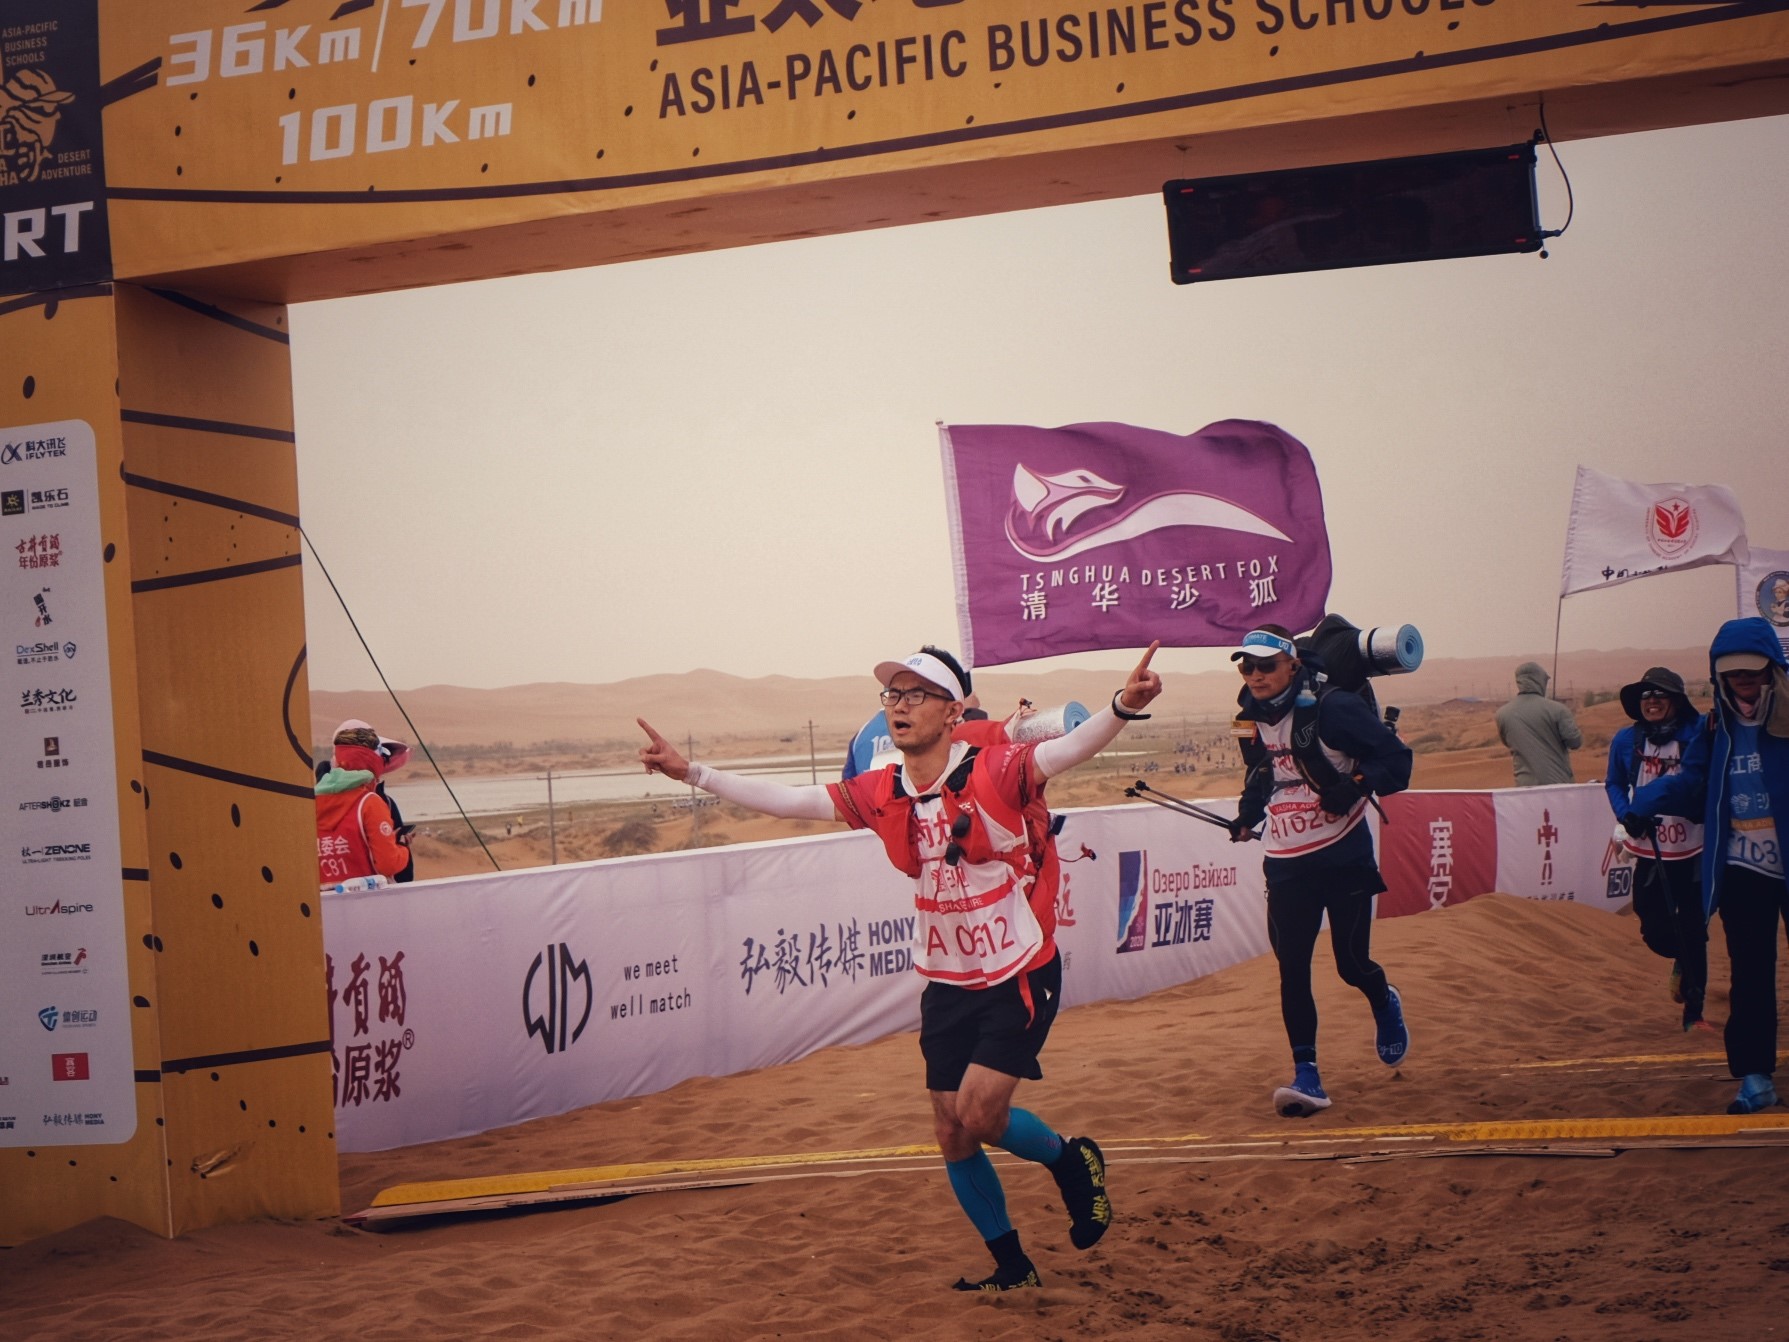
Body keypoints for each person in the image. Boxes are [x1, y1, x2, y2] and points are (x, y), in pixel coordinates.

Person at [638, 642, 1164, 1291]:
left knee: (979, 1113)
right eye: (892, 695)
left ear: (953, 712)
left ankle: (1070, 1162)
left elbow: (1070, 748)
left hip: (1017, 971)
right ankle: (1012, 1265)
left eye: (917, 695)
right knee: (950, 1129)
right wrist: (692, 772)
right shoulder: (881, 790)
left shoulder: (995, 770)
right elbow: (788, 798)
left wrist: (1122, 706)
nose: (899, 706)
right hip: (946, 980)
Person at [1226, 625, 1413, 1118]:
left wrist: (1355, 785)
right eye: (1247, 666)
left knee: (1351, 964)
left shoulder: (1335, 708)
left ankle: (1383, 999)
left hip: (1343, 855)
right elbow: (1261, 774)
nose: (1255, 675)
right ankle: (1306, 1074)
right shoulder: (1246, 719)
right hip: (1285, 862)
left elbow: (1396, 761)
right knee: (1292, 968)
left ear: (1293, 665)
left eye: (1266, 665)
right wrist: (1247, 815)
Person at [1627, 618, 1789, 1114]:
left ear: (1772, 669)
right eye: (1733, 671)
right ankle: (1755, 1077)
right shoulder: (1715, 728)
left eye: (1752, 669)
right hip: (1743, 868)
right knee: (1751, 973)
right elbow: (1690, 779)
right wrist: (1644, 802)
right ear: (1719, 675)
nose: (1744, 679)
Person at [1603, 667, 1710, 1031]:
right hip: (1650, 847)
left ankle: (1694, 1012)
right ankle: (1683, 955)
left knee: (1694, 927)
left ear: (1677, 700)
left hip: (1695, 845)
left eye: (1660, 694)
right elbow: (1614, 782)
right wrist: (1627, 815)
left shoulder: (1697, 733)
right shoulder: (1626, 740)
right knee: (1653, 928)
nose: (1652, 701)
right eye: (1646, 696)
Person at [316, 720, 412, 889]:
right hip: (366, 899)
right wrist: (402, 847)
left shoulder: (309, 803)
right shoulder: (370, 803)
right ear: (374, 761)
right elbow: (388, 864)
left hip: (322, 900)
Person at [1494, 661, 1582, 786]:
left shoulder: (1502, 714)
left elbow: (1507, 742)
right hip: (1558, 785)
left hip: (1523, 787)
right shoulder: (1558, 709)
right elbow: (1575, 742)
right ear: (1540, 681)